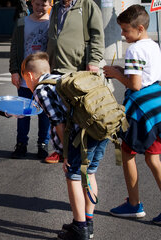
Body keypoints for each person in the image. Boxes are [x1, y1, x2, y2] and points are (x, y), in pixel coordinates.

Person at [21, 52, 108, 239]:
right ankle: (88, 222)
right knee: (89, 172)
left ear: (29, 76)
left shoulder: (41, 90)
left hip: (80, 136)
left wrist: (66, 153)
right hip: (101, 129)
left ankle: (80, 227)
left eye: (24, 80)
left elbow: (58, 122)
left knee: (74, 176)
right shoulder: (62, 78)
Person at [103, 4, 161, 225]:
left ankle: (134, 204)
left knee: (127, 154)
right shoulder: (152, 45)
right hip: (157, 103)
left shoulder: (134, 50)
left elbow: (135, 85)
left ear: (139, 29)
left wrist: (116, 74)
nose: (122, 34)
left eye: (125, 30)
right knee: (153, 157)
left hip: (141, 108)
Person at [45, 0, 104, 163]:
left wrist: (94, 61)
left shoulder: (88, 5)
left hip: (77, 68)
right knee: (56, 113)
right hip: (56, 67)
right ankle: (59, 149)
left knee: (78, 113)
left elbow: (97, 36)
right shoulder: (56, 7)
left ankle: (80, 149)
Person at [9, 0, 52, 161]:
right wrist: (14, 71)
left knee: (45, 114)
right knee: (23, 112)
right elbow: (14, 47)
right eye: (37, 4)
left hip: (44, 78)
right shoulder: (22, 22)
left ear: (50, 5)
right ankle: (21, 144)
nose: (40, 8)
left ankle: (43, 144)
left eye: (44, 5)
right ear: (31, 3)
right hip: (25, 77)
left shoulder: (52, 23)